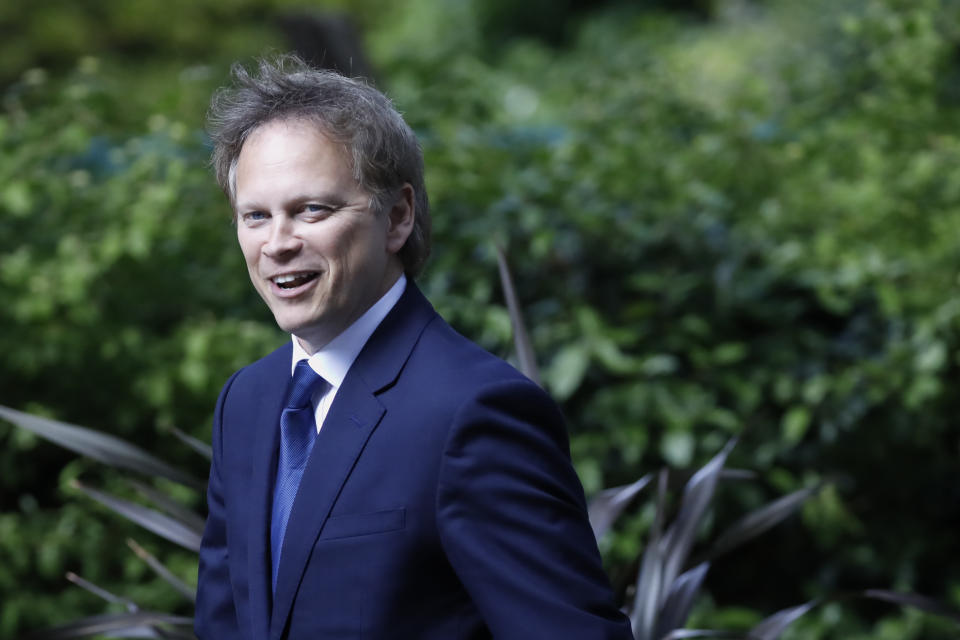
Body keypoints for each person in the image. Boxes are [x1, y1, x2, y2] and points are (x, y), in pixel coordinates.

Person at [194, 55, 633, 640]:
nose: (277, 243)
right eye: (255, 216)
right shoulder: (246, 401)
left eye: (312, 210)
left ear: (397, 216)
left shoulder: (474, 413)